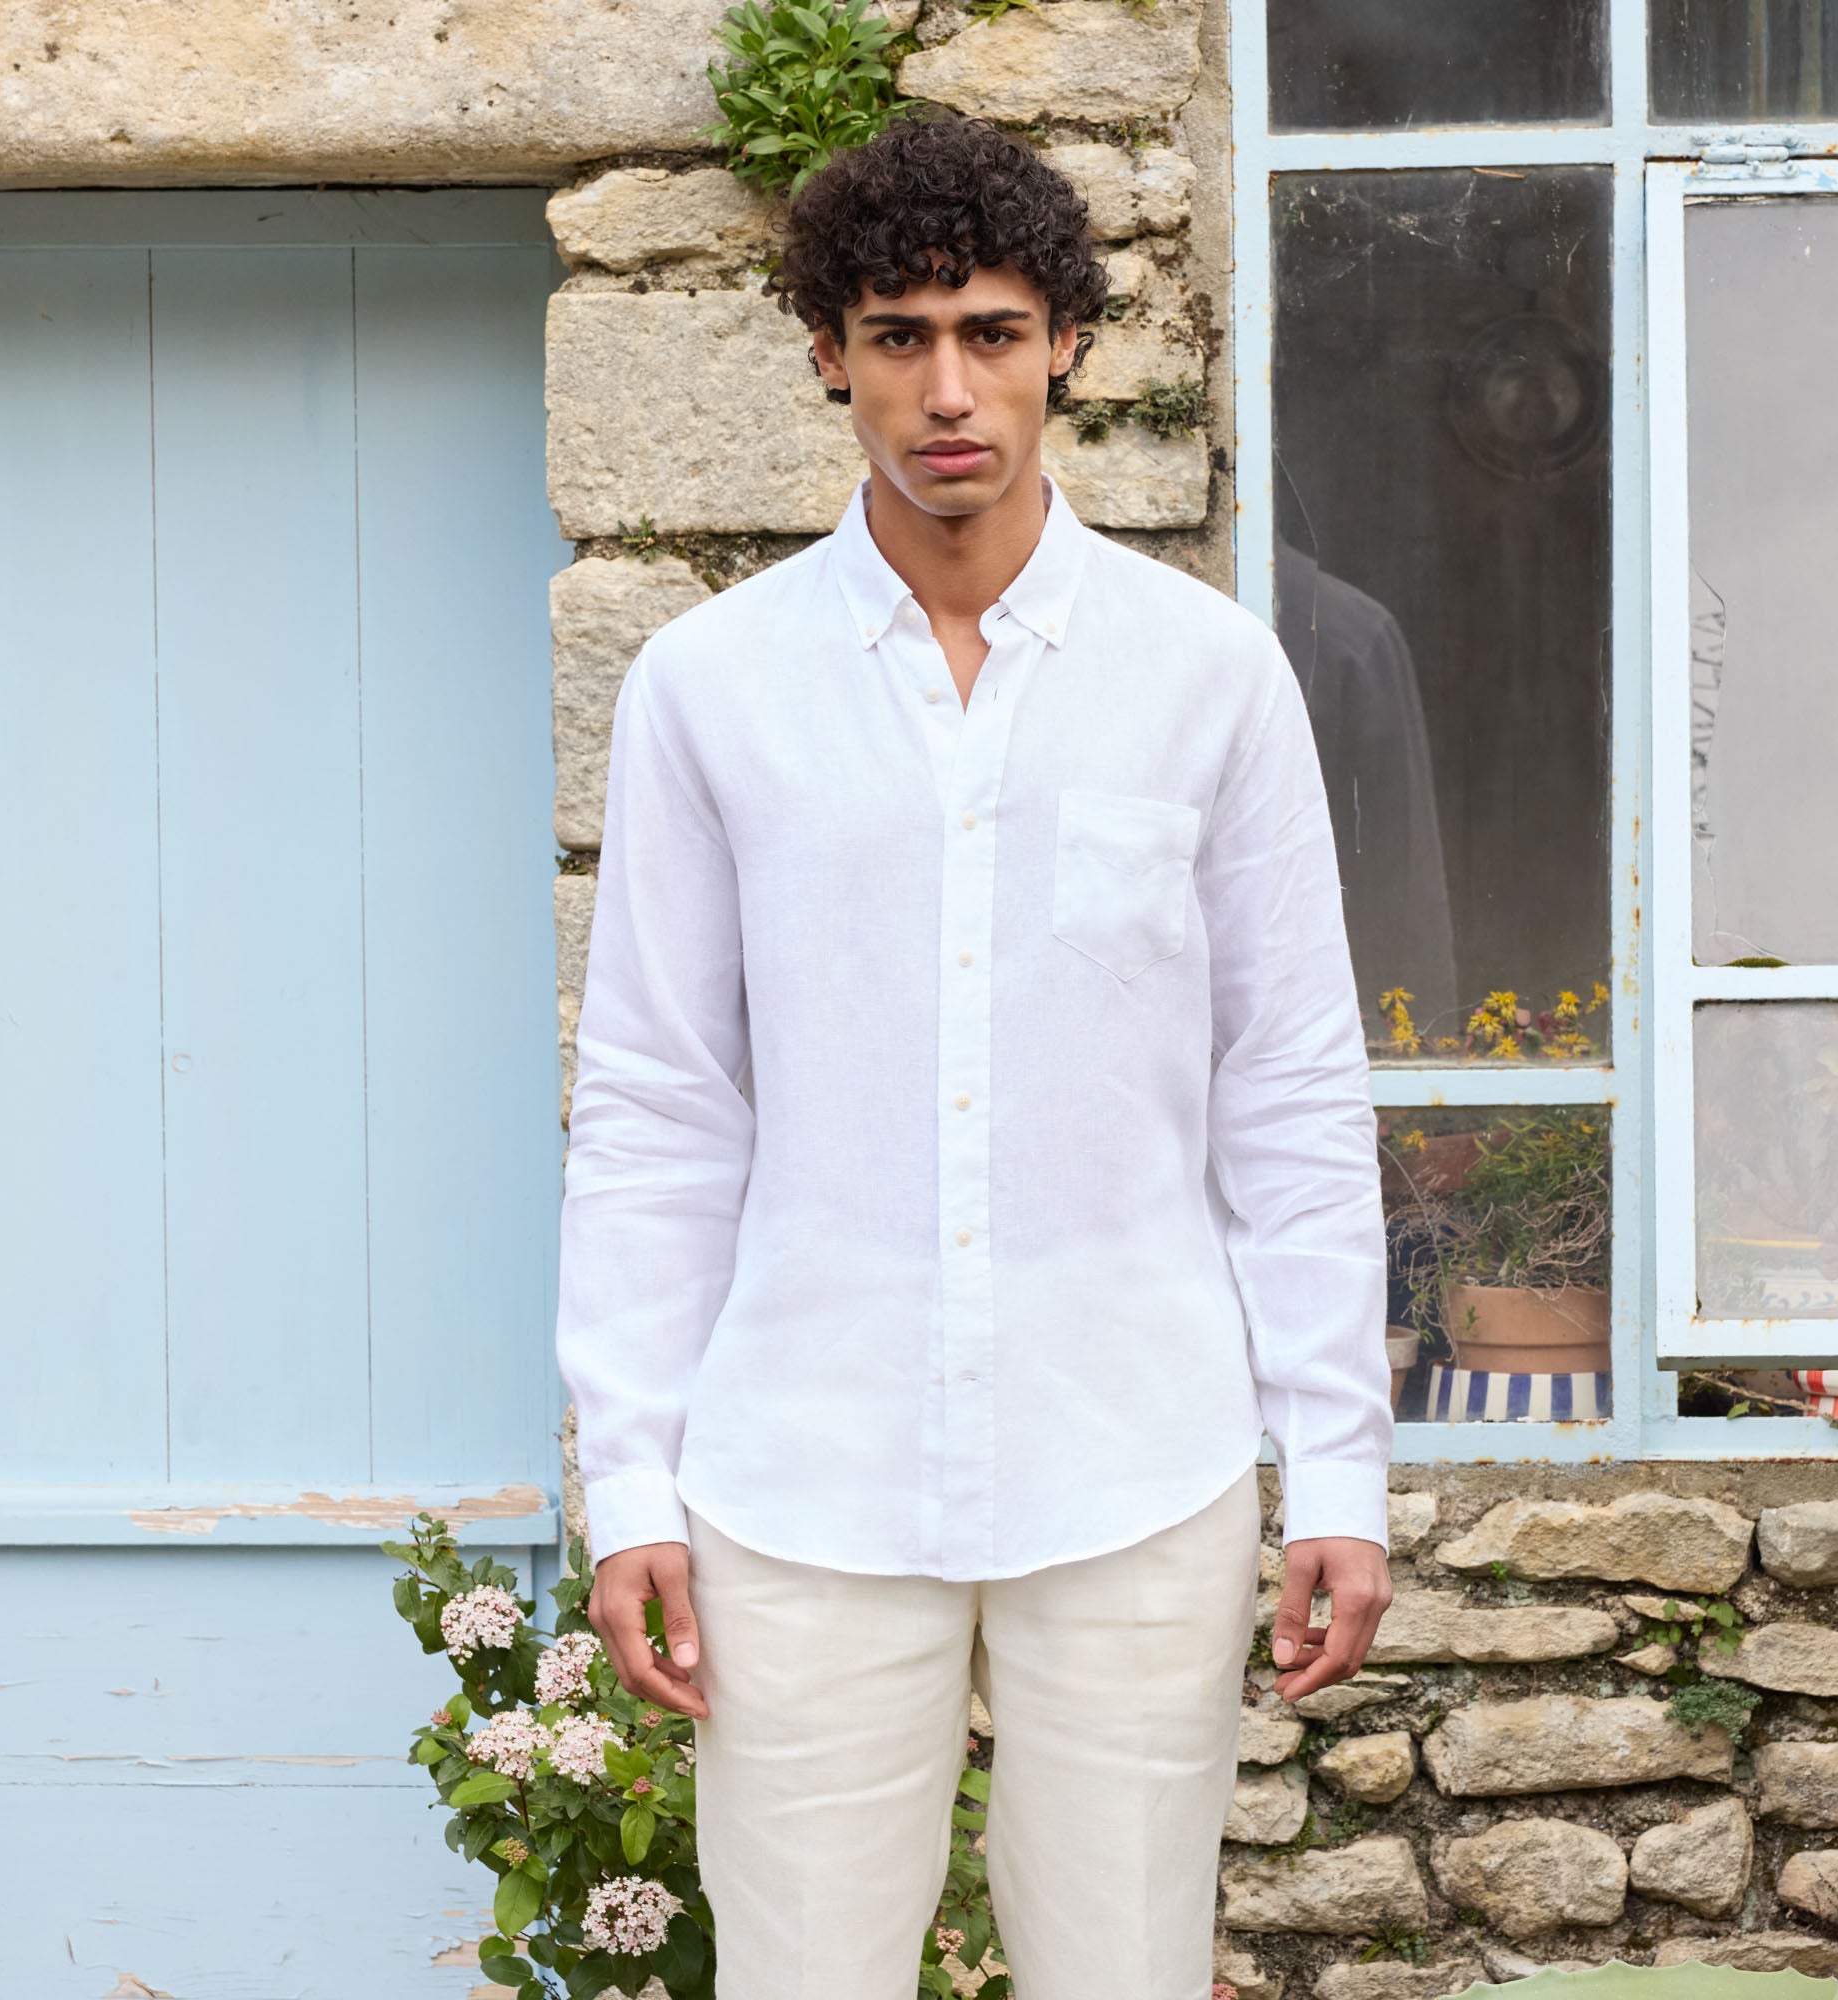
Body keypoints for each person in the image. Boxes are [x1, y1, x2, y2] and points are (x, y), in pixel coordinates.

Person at [556, 115, 1394, 2000]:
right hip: (803, 1469)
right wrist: (633, 1482)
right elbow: (659, 1109)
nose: (950, 390)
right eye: (901, 336)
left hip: (1137, 1456)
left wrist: (1337, 1463)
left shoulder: (1208, 677)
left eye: (994, 334)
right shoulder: (710, 687)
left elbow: (1288, 1087)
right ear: (830, 354)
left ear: (1065, 344)